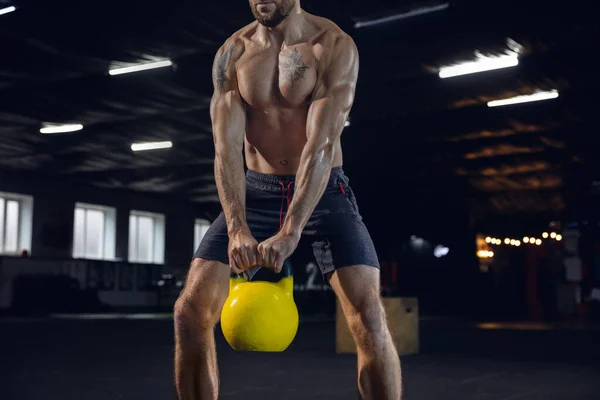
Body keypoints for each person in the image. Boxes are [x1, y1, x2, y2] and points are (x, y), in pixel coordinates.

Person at [174, 1, 402, 399]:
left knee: (367, 316)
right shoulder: (234, 52)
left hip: (323, 191)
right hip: (257, 191)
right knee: (189, 313)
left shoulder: (331, 45)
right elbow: (225, 151)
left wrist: (292, 229)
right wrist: (237, 226)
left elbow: (322, 145)